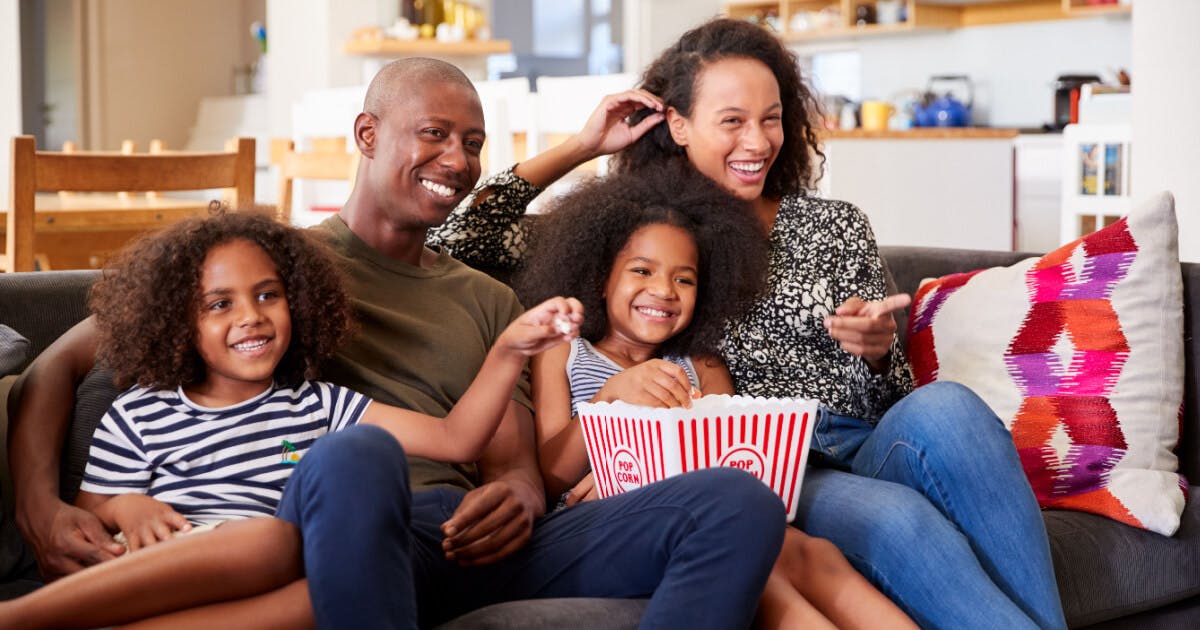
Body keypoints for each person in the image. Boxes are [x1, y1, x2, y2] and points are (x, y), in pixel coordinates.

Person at [6, 57, 787, 628]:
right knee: (356, 455)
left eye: (473, 142)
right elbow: (56, 364)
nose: (457, 160)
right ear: (368, 134)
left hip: (486, 542)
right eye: (435, 134)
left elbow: (513, 452)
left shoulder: (488, 297)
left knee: (738, 504)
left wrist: (515, 493)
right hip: (360, 529)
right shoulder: (271, 271)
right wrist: (39, 507)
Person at [429, 18, 1069, 630]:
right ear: (677, 124)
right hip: (779, 467)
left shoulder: (835, 224)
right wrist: (583, 144)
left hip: (869, 439)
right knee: (898, 522)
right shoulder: (647, 237)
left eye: (771, 119)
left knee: (951, 404)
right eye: (731, 121)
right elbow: (460, 233)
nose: (758, 142)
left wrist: (878, 353)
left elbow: (893, 398)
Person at [0, 210, 586, 627]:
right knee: (270, 542)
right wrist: (129, 506)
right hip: (159, 565)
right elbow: (89, 511)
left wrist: (509, 351)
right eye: (219, 304)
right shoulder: (140, 412)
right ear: (179, 324)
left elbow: (455, 438)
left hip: (264, 580)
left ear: (298, 303)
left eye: (267, 295)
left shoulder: (319, 405)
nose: (251, 317)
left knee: (326, 595)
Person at [515, 164, 916, 630]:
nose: (663, 290)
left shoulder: (700, 365)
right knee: (761, 567)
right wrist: (609, 400)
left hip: (708, 511)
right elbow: (547, 476)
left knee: (807, 549)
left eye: (684, 279)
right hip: (606, 523)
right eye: (642, 270)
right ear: (602, 279)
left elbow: (725, 461)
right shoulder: (564, 353)